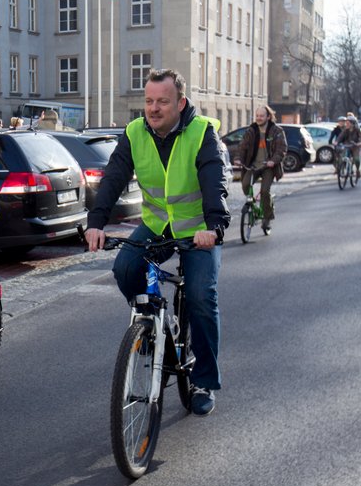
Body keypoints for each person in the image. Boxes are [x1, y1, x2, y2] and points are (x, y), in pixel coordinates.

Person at [84, 68, 230, 416]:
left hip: (198, 230)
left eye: (162, 101)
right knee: (126, 268)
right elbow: (113, 178)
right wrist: (95, 223)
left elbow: (215, 182)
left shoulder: (202, 134)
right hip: (157, 225)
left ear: (180, 103)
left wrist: (215, 227)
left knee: (199, 295)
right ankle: (152, 327)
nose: (153, 108)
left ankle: (204, 380)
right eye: (149, 101)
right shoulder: (135, 133)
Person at [233, 105, 288, 233]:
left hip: (268, 166)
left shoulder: (276, 131)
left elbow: (281, 149)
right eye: (257, 116)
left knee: (264, 192)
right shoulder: (251, 130)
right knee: (246, 184)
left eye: (261, 116)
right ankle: (251, 205)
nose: (258, 118)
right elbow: (242, 146)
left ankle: (267, 218)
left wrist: (273, 161)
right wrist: (238, 159)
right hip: (253, 165)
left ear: (268, 117)